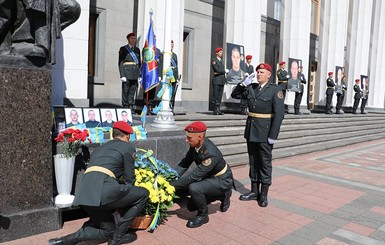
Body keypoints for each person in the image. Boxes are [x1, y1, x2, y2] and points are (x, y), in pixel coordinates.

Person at [49, 121, 149, 245]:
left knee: (107, 231)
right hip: (103, 191)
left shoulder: (99, 149)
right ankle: (118, 237)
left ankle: (64, 241)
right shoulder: (127, 147)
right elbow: (130, 180)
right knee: (143, 193)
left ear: (113, 135)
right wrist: (123, 203)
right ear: (128, 136)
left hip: (84, 194)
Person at [231, 63, 285, 207]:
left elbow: (279, 115)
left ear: (269, 74)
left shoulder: (275, 90)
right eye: (257, 72)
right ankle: (254, 191)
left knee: (265, 163)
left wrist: (273, 135)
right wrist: (243, 83)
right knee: (253, 161)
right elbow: (234, 95)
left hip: (265, 132)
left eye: (262, 72)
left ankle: (264, 194)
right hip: (251, 131)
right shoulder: (252, 88)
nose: (259, 74)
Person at [170, 121, 233, 228]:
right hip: (209, 177)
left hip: (222, 180)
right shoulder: (196, 144)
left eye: (189, 138)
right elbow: (184, 164)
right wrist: (170, 176)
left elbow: (192, 177)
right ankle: (220, 195)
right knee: (191, 206)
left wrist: (169, 186)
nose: (187, 140)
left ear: (199, 137)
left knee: (194, 188)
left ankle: (203, 215)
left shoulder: (210, 153)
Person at [118, 32, 141, 111]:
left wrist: (139, 75)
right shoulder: (123, 49)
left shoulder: (137, 50)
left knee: (132, 90)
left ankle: (131, 104)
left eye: (134, 38)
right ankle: (125, 105)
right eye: (131, 38)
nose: (133, 40)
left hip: (135, 74)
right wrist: (122, 75)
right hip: (126, 73)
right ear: (128, 39)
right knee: (125, 90)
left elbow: (139, 64)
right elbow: (121, 62)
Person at [211, 47, 227, 115]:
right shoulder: (214, 60)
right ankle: (215, 109)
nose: (221, 53)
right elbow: (217, 69)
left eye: (222, 52)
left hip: (221, 80)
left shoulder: (221, 61)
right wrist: (224, 71)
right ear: (217, 53)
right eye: (220, 52)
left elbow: (220, 71)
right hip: (216, 80)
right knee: (216, 95)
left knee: (219, 95)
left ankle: (218, 109)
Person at [169, 40, 179, 111]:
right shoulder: (165, 54)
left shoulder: (175, 55)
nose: (172, 45)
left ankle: (172, 108)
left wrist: (177, 76)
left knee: (173, 93)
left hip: (174, 76)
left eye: (173, 44)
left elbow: (176, 66)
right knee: (167, 92)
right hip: (168, 75)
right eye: (170, 44)